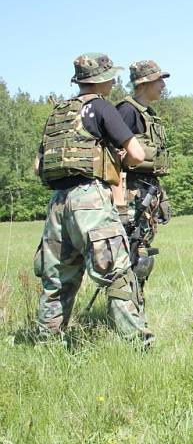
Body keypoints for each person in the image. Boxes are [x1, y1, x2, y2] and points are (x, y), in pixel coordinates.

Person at [33, 53, 154, 345]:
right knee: (116, 270)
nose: (113, 81)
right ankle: (138, 343)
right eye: (110, 76)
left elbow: (38, 167)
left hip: (57, 204)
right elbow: (137, 154)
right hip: (89, 199)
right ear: (101, 80)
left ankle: (47, 345)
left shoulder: (59, 113)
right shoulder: (100, 108)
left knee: (57, 280)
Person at [115, 61, 172, 299]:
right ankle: (127, 307)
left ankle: (136, 304)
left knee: (142, 251)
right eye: (159, 80)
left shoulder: (148, 114)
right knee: (132, 252)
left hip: (148, 192)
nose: (163, 85)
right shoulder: (126, 112)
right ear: (144, 83)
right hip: (132, 195)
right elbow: (113, 158)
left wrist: (162, 197)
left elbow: (153, 165)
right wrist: (120, 205)